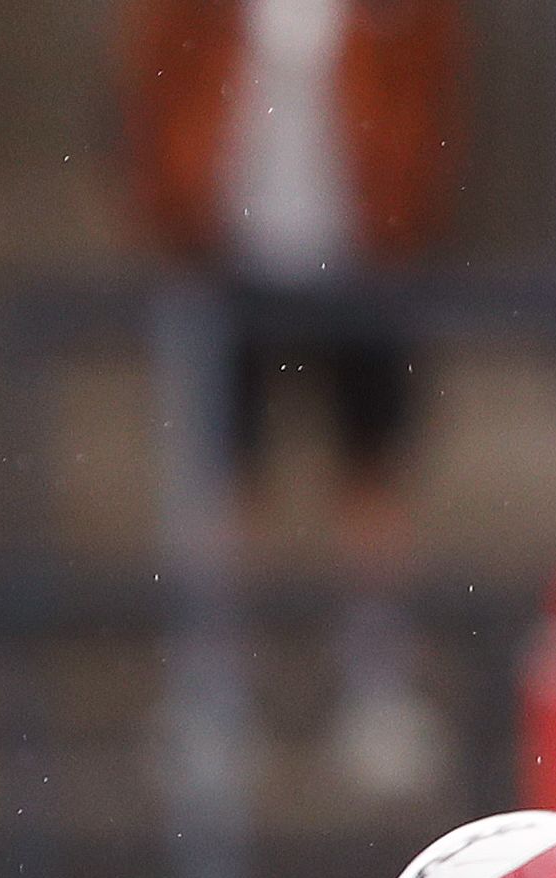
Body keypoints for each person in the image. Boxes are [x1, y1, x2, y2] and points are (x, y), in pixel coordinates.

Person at [122, 0, 466, 797]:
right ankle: (214, 695)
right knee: (222, 485)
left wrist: (404, 207)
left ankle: (375, 690)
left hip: (364, 253)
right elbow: (151, 93)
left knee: (371, 479)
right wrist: (176, 211)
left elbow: (433, 95)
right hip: (225, 259)